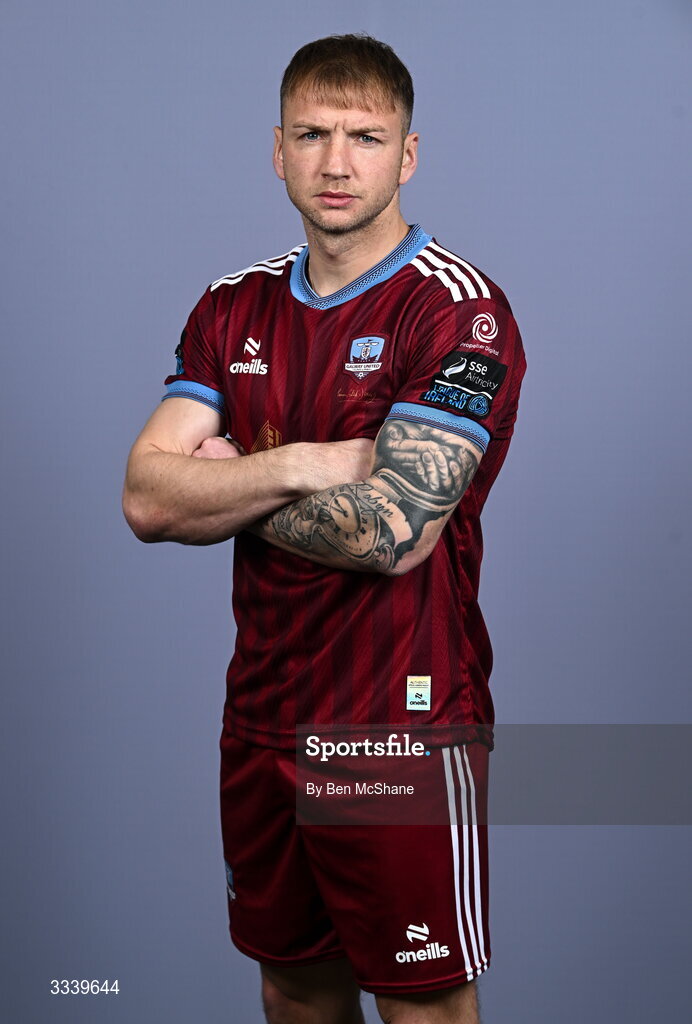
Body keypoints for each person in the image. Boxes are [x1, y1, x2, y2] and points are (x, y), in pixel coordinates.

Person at [123, 33, 526, 1024]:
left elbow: (393, 529)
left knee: (420, 1004)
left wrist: (221, 486)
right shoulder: (231, 307)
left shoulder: (458, 314)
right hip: (259, 714)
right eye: (310, 134)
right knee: (291, 988)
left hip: (395, 727)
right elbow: (145, 498)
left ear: (408, 153)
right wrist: (303, 462)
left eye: (363, 136)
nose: (335, 162)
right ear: (276, 149)